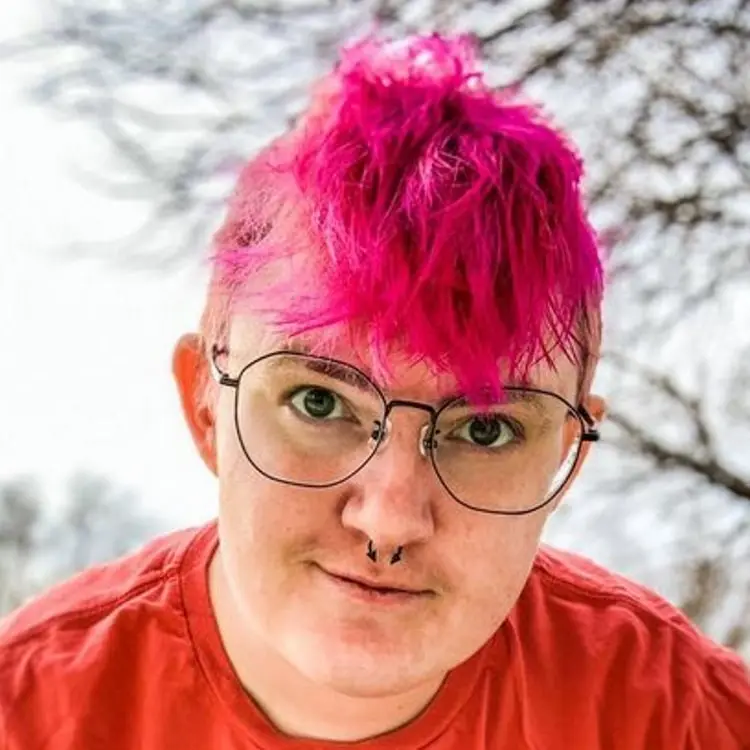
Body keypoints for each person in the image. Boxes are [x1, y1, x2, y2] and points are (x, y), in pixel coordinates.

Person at [0, 32, 748, 750]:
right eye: (319, 403)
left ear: (565, 460)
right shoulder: (27, 714)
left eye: (484, 429)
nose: (390, 520)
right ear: (206, 406)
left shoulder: (686, 723)